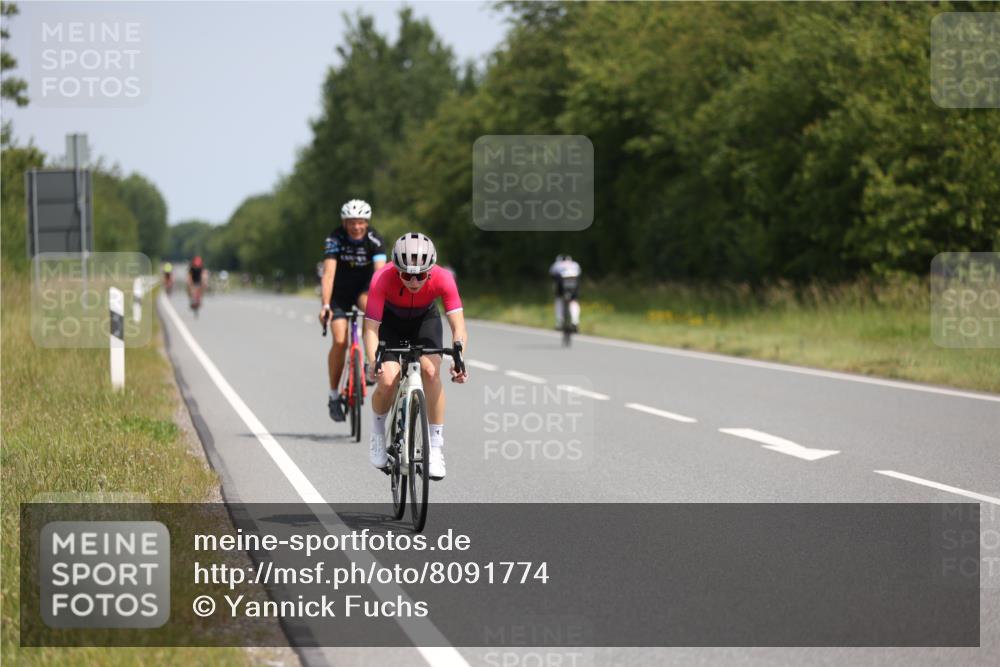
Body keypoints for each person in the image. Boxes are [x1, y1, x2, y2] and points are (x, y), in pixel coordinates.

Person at [363, 232, 468, 480]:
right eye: (406, 275)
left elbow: (458, 325)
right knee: (388, 380)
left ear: (430, 271)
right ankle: (378, 433)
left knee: (431, 372)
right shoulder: (381, 279)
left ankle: (436, 446)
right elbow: (371, 328)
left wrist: (459, 355)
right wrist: (372, 360)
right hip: (390, 322)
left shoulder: (444, 278)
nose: (413, 281)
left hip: (425, 320)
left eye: (420, 275)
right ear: (396, 269)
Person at [318, 199, 387, 422]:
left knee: (371, 310)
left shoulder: (375, 239)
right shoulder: (335, 238)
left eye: (360, 223)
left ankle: (369, 362)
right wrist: (326, 305)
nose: (356, 227)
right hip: (339, 293)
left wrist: (383, 305)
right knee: (340, 341)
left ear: (366, 223)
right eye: (351, 223)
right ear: (344, 222)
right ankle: (334, 396)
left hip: (364, 290)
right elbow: (328, 274)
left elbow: (380, 274)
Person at [549, 254, 581, 331]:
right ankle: (575, 322)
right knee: (573, 301)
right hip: (574, 282)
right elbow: (579, 273)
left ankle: (559, 322)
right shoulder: (575, 264)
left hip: (561, 282)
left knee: (559, 300)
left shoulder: (556, 264)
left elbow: (552, 275)